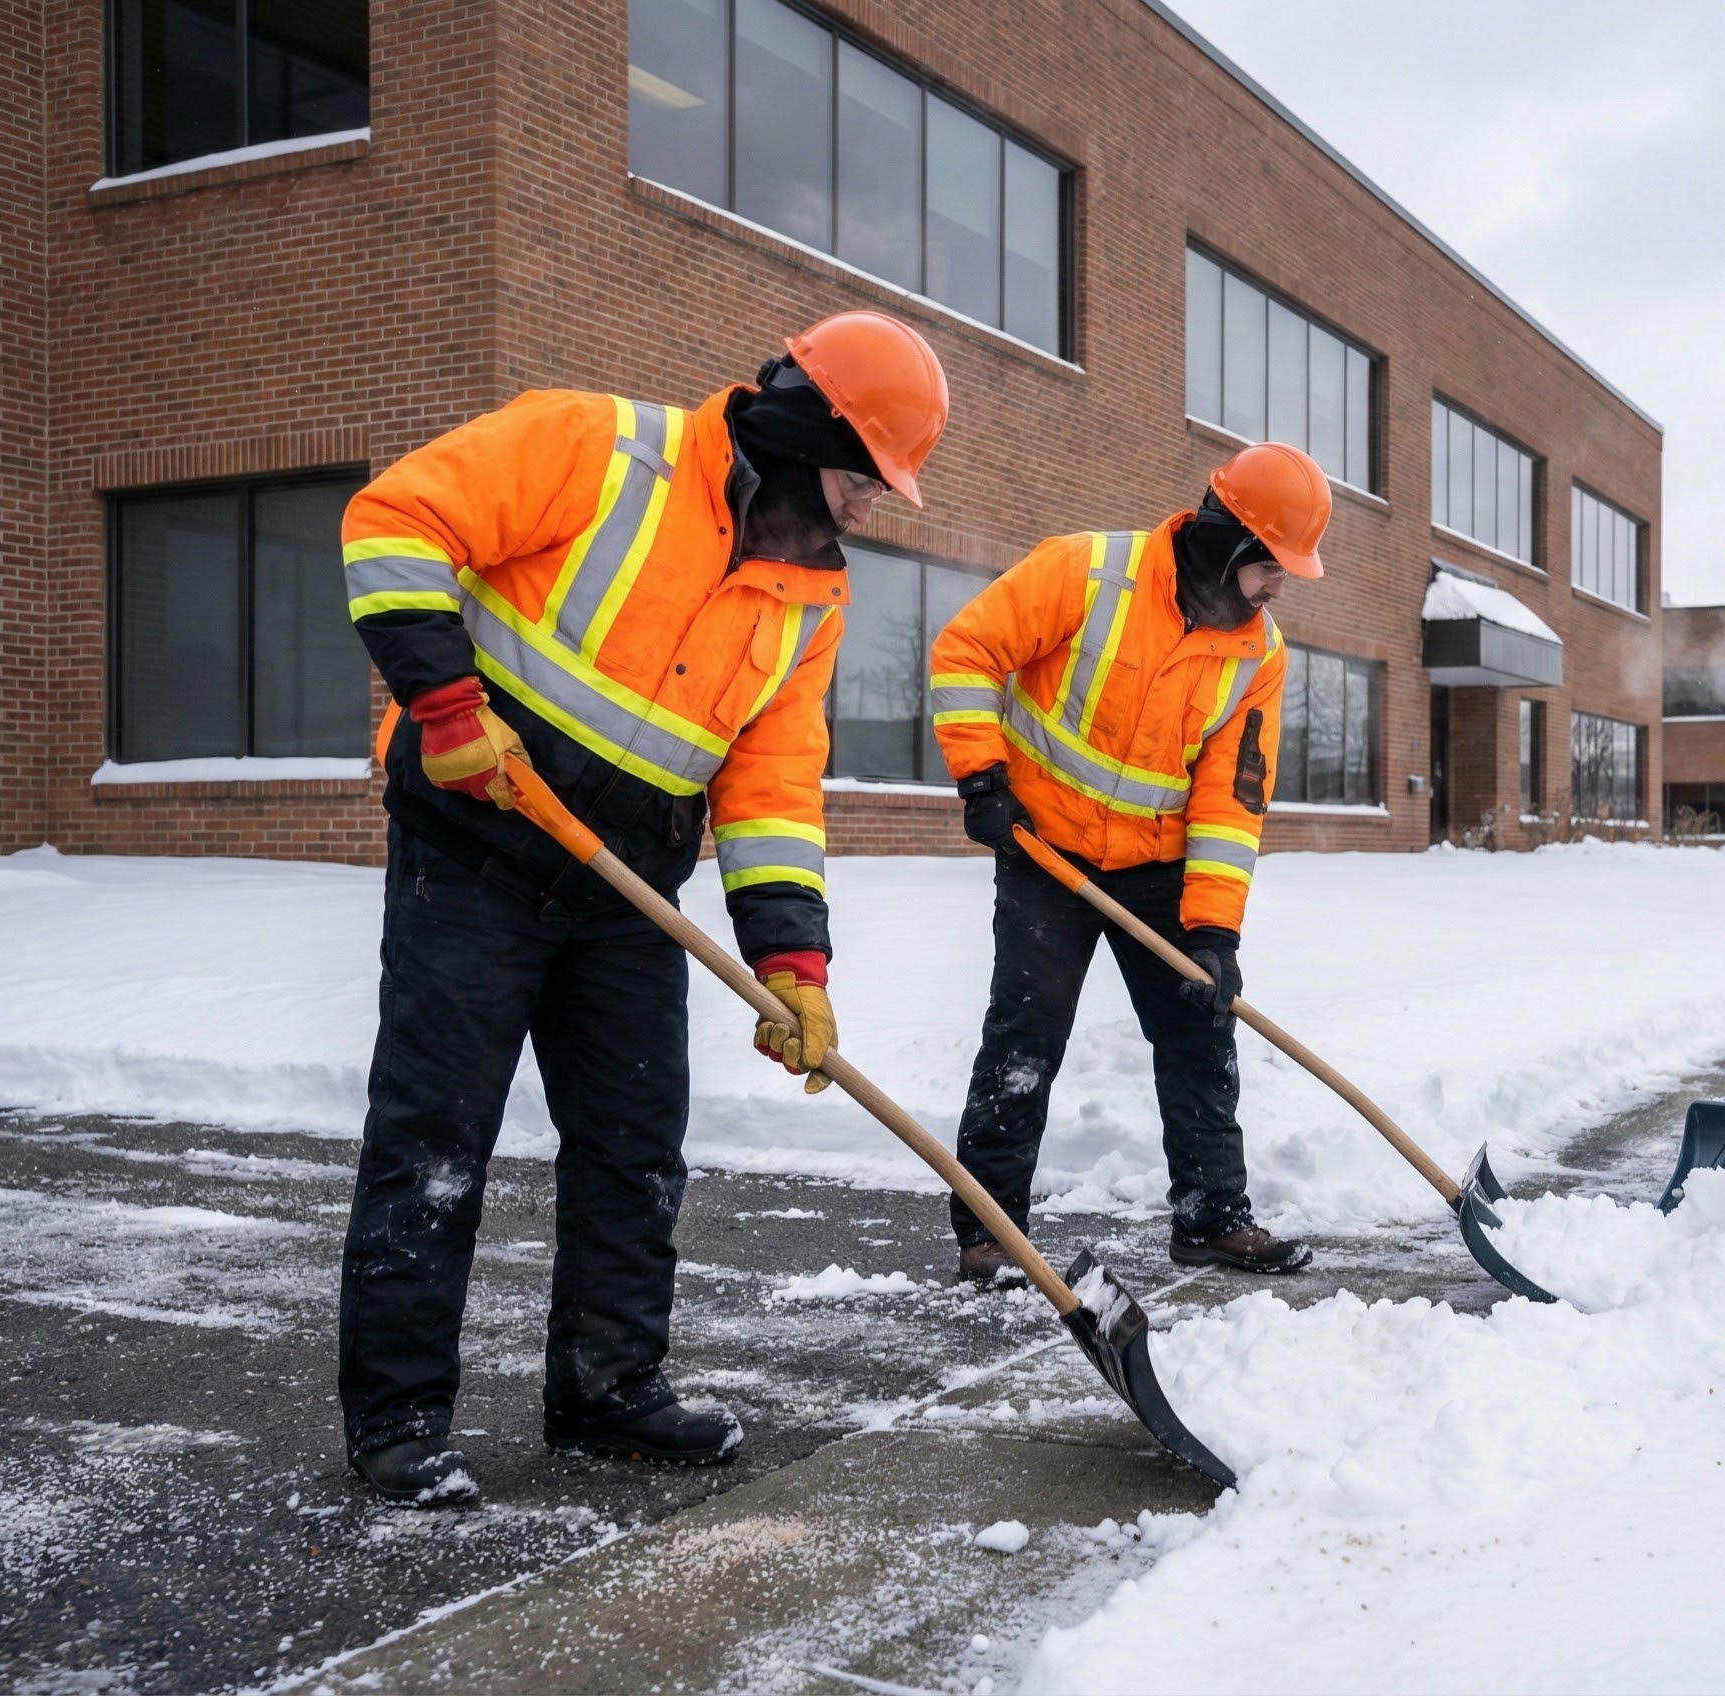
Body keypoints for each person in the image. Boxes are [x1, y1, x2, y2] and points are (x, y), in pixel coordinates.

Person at [334, 311, 949, 1504]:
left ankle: (607, 1390)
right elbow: (396, 519)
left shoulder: (809, 597)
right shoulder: (597, 446)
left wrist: (794, 962)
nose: (875, 503)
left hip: (627, 892)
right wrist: (448, 707)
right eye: (863, 473)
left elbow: (771, 781)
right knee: (434, 1138)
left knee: (634, 1147)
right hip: (475, 851)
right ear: (805, 432)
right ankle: (399, 1417)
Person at [926, 443, 1329, 1283]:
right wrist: (980, 776)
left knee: (1199, 1030)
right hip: (1044, 849)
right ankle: (990, 1235)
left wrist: (1214, 929)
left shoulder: (1259, 654)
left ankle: (1212, 1219)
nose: (1280, 584)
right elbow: (966, 652)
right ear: (1228, 541)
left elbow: (1232, 799)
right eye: (1272, 565)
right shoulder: (1084, 573)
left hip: (1158, 868)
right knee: (1024, 1038)